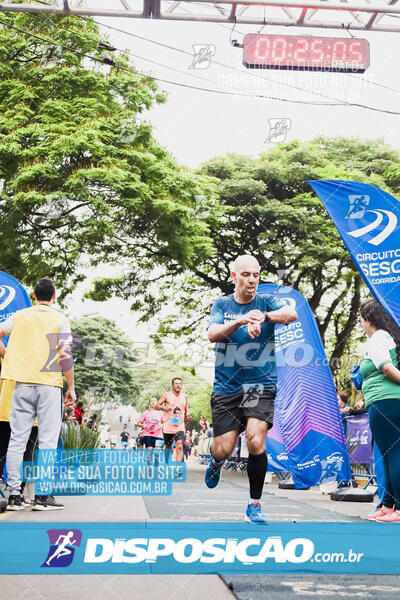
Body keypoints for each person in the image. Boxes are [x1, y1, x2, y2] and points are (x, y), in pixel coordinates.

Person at [204, 254, 297, 523]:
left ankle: (254, 504)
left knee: (256, 440)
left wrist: (265, 317)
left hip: (260, 384)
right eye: (246, 274)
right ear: (234, 277)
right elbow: (213, 333)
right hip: (227, 387)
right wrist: (241, 321)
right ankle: (216, 462)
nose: (252, 280)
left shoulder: (267, 301)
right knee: (223, 448)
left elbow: (290, 314)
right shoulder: (222, 303)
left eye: (256, 274)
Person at [0, 277, 75, 511]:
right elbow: (65, 354)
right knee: (48, 441)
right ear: (54, 296)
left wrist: (7, 356)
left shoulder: (21, 316)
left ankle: (14, 496)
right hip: (49, 384)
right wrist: (71, 386)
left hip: (21, 384)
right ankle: (42, 497)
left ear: (34, 295)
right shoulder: (60, 319)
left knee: (17, 439)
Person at [357, 298, 400, 522]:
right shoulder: (392, 337)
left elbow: (386, 367)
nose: (362, 325)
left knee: (393, 455)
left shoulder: (378, 339)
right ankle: (388, 505)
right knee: (388, 454)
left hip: (385, 403)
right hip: (390, 402)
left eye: (362, 320)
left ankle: (398, 509)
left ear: (369, 320)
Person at [157, 378, 190, 462]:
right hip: (168, 425)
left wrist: (188, 414)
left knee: (180, 445)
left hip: (180, 426)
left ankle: (179, 468)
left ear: (181, 385)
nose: (178, 385)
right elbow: (157, 405)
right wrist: (164, 407)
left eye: (179, 383)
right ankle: (167, 464)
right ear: (172, 385)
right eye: (176, 383)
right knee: (168, 446)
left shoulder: (185, 396)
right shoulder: (166, 395)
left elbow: (186, 408)